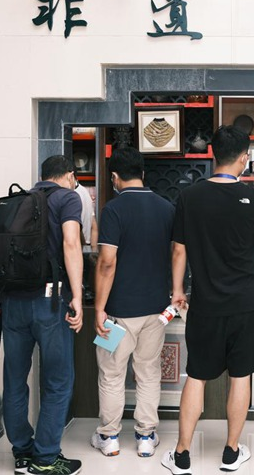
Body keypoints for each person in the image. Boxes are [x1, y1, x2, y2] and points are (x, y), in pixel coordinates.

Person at [161, 126, 254, 474]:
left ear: (212, 154)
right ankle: (231, 453)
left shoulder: (189, 196)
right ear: (244, 158)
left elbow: (178, 249)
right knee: (240, 376)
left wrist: (177, 290)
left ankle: (182, 455)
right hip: (247, 304)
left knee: (196, 376)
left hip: (206, 304)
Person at [1, 155, 84, 475]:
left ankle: (22, 451)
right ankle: (46, 458)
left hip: (12, 302)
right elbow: (71, 244)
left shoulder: (19, 200)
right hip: (49, 301)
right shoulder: (67, 198)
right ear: (69, 175)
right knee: (58, 381)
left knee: (14, 380)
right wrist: (76, 296)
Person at [91, 147, 175, 458]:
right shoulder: (167, 208)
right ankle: (145, 436)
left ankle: (109, 437)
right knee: (148, 372)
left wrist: (99, 308)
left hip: (117, 312)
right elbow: (176, 254)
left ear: (114, 177)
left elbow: (107, 262)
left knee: (111, 374)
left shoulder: (112, 210)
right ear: (142, 173)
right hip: (156, 309)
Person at [74, 179, 99, 250]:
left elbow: (77, 227)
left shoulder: (72, 194)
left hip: (76, 246)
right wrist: (93, 250)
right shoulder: (85, 191)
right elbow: (94, 227)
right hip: (86, 247)